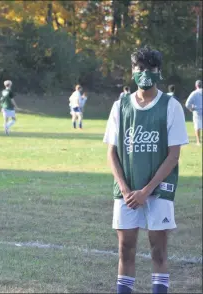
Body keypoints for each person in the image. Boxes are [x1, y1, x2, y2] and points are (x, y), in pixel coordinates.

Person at [103, 46, 188, 294]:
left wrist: (146, 191)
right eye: (139, 68)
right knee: (125, 249)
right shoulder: (120, 106)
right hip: (126, 192)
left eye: (149, 68)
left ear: (158, 71)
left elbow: (173, 155)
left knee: (158, 251)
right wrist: (127, 189)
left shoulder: (171, 106)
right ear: (132, 71)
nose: (144, 73)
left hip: (159, 190)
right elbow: (112, 152)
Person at [185, 80, 202, 145]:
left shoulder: (194, 93)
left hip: (197, 111)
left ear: (196, 85)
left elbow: (187, 104)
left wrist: (191, 108)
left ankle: (198, 141)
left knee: (197, 126)